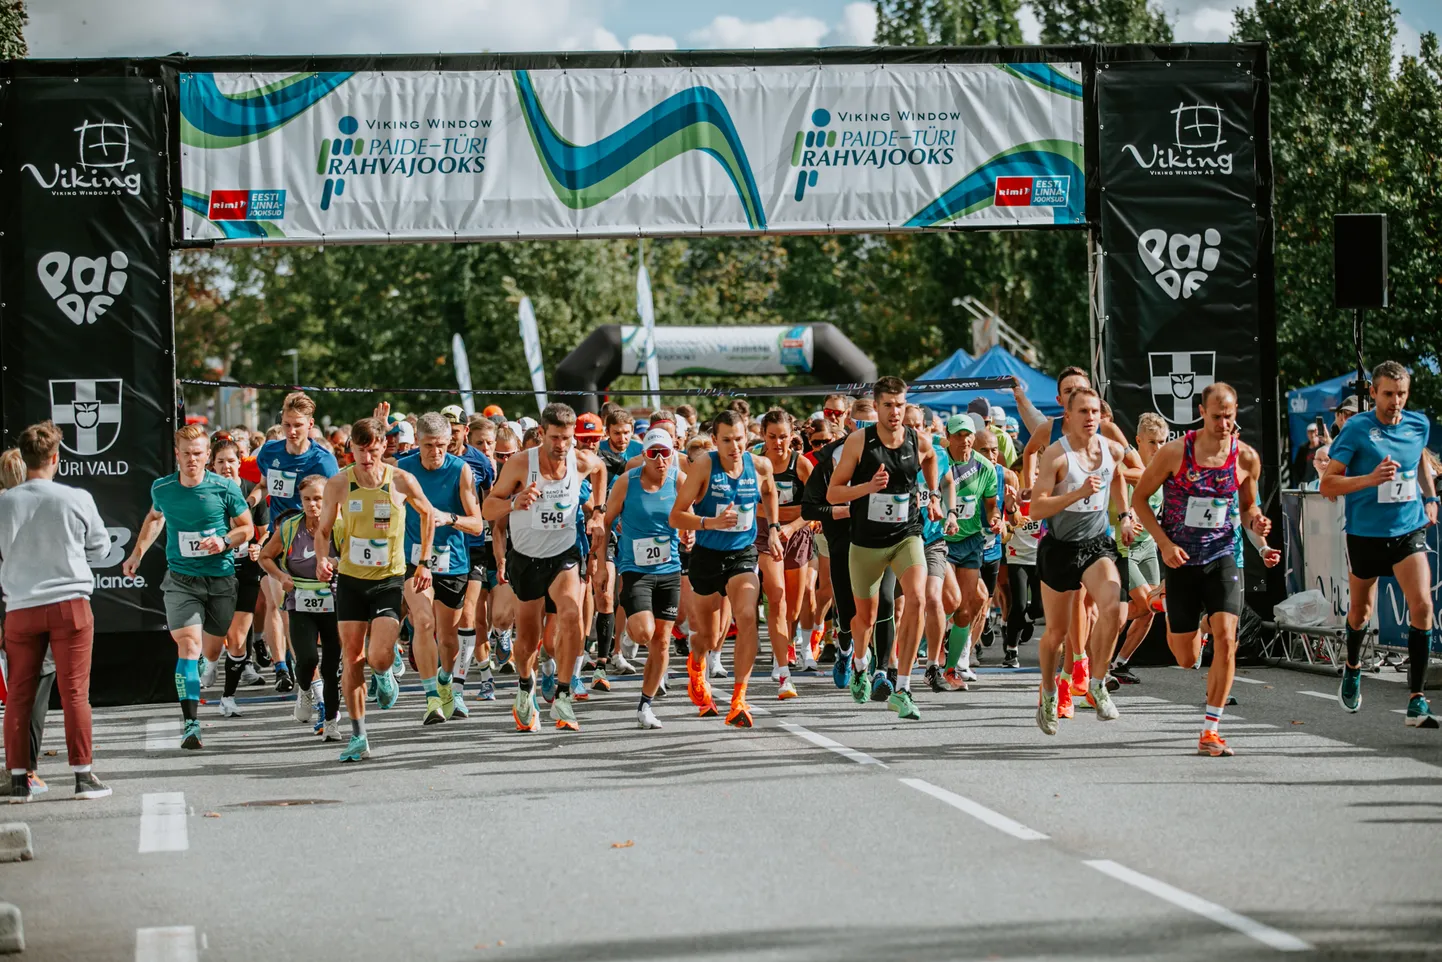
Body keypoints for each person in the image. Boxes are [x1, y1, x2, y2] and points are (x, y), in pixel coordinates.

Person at [1133, 383, 1273, 754]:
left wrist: (1258, 525)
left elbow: (1248, 507)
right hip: (1180, 559)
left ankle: (1210, 730)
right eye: (1216, 416)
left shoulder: (1245, 458)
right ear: (1201, 411)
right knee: (1187, 658)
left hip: (1223, 554)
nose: (1224, 423)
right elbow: (1140, 499)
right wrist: (1163, 543)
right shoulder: (1176, 453)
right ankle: (1181, 614)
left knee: (1228, 637)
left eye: (1229, 416)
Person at [1319, 361, 1438, 728]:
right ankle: (1352, 666)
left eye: (1401, 394)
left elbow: (1419, 461)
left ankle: (1417, 699)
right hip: (1366, 534)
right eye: (1388, 394)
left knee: (1422, 607)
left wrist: (1430, 497)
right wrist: (1370, 479)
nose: (1395, 402)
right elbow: (1328, 485)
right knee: (1361, 611)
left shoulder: (1419, 424)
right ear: (1373, 393)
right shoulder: (1356, 429)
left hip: (1408, 530)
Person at [314, 416, 438, 762]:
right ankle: (358, 735)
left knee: (377, 655)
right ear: (350, 448)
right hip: (352, 580)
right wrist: (322, 559)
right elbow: (323, 530)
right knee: (351, 656)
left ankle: (384, 672)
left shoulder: (400, 480)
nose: (366, 459)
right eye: (359, 451)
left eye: (372, 451)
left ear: (383, 446)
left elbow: (428, 514)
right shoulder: (339, 484)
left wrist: (424, 562)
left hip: (388, 579)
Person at [125, 424, 255, 751]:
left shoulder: (224, 488)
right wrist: (137, 553)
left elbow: (247, 529)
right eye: (186, 454)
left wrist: (224, 540)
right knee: (189, 645)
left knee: (214, 644)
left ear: (207, 456)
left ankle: (199, 670)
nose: (192, 460)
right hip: (181, 579)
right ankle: (191, 723)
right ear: (177, 455)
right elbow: (156, 518)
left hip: (221, 579)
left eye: (198, 454)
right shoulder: (163, 487)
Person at [0, 424, 113, 801]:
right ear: (55, 459)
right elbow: (100, 548)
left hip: (20, 606)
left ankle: (19, 780)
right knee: (74, 693)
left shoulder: (5, 502)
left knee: (18, 693)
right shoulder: (75, 497)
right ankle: (83, 776)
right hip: (69, 603)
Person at [483, 403, 607, 733]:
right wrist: (514, 502)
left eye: (567, 438)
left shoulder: (579, 460)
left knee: (570, 613)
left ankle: (564, 694)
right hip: (525, 558)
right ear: (542, 434)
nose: (561, 445)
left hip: (564, 553)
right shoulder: (522, 463)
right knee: (527, 640)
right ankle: (526, 686)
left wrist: (599, 512)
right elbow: (487, 507)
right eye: (554, 438)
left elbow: (601, 469)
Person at [828, 376, 944, 721]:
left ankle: (903, 687)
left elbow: (931, 459)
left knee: (918, 598)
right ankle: (861, 666)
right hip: (865, 543)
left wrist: (934, 494)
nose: (896, 412)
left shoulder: (917, 440)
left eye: (901, 405)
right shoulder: (858, 443)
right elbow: (834, 494)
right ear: (876, 407)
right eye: (889, 405)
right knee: (865, 617)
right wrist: (867, 487)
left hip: (906, 535)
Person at [670, 410, 781, 728]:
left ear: (749, 437)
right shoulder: (705, 465)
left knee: (747, 617)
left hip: (743, 555)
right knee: (706, 634)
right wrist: (708, 523)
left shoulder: (760, 465)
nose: (734, 447)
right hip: (706, 555)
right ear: (715, 440)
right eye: (727, 440)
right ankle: (696, 665)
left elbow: (770, 492)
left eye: (740, 439)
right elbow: (676, 516)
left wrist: (772, 528)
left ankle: (739, 699)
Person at [1029, 388, 1131, 735]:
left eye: (1095, 412)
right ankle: (1047, 693)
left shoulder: (1112, 450)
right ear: (1068, 417)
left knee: (1114, 608)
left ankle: (1098, 683)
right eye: (1083, 412)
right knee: (1056, 635)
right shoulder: (1057, 456)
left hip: (1096, 545)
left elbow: (1117, 476)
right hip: (1059, 548)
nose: (1090, 418)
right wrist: (1077, 493)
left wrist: (1127, 514)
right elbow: (1037, 507)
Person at [240, 392, 338, 683]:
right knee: (278, 601)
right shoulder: (270, 452)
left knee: (310, 606)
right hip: (279, 533)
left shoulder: (323, 460)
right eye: (286, 425)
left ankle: (312, 668)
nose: (292, 431)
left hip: (312, 537)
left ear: (310, 424)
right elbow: (264, 484)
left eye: (298, 425)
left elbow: (335, 504)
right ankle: (290, 668)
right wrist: (251, 501)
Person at [397, 413, 487, 726]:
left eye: (441, 445)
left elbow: (477, 525)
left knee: (449, 639)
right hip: (414, 561)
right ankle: (430, 697)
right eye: (428, 446)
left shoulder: (460, 470)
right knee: (422, 623)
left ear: (450, 442)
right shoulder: (403, 470)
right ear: (417, 443)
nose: (435, 452)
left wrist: (447, 518)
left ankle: (446, 681)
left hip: (453, 562)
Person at [605, 428, 688, 729]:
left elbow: (688, 516)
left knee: (662, 642)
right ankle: (631, 629)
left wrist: (690, 534)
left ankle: (645, 706)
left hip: (669, 570)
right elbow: (606, 520)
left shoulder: (679, 481)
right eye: (653, 453)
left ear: (672, 453)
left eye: (665, 453)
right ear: (644, 455)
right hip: (635, 568)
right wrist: (600, 563)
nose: (660, 459)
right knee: (644, 634)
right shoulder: (627, 482)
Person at [258, 474, 341, 738]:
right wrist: (282, 576)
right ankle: (305, 690)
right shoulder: (290, 527)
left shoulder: (341, 525)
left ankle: (330, 723)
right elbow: (265, 557)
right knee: (306, 659)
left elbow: (354, 556)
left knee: (331, 666)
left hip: (335, 601)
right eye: (307, 499)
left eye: (318, 498)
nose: (313, 505)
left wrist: (337, 565)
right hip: (300, 601)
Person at [208, 439, 273, 716]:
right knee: (213, 642)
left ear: (240, 462)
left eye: (231, 461)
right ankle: (210, 661)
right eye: (220, 461)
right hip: (214, 570)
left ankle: (228, 697)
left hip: (246, 569)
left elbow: (266, 531)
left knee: (236, 638)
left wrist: (260, 545)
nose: (226, 466)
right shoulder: (206, 494)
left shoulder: (250, 493)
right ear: (212, 465)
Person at [756, 409, 815, 695]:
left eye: (783, 437)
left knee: (792, 607)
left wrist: (790, 525)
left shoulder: (801, 464)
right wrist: (774, 518)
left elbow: (815, 507)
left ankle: (787, 644)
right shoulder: (755, 463)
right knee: (776, 596)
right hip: (765, 534)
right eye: (772, 437)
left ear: (792, 437)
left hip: (796, 533)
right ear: (762, 435)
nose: (778, 443)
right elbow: (748, 504)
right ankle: (782, 670)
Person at [939, 413, 1000, 690]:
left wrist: (996, 518)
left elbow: (990, 505)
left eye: (968, 435)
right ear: (948, 437)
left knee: (964, 609)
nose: (964, 441)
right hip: (941, 540)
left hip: (971, 541)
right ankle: (934, 655)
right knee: (949, 601)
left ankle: (951, 668)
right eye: (958, 436)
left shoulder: (985, 467)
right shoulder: (939, 460)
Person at [1108, 413, 1169, 685]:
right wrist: (1129, 516)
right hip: (1124, 548)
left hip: (1148, 548)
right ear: (1138, 442)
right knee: (1146, 603)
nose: (1158, 448)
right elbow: (1116, 477)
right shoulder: (1132, 471)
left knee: (1151, 609)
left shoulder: (1162, 471)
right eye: (1152, 442)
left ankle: (1119, 663)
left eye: (1163, 442)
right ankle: (1092, 649)